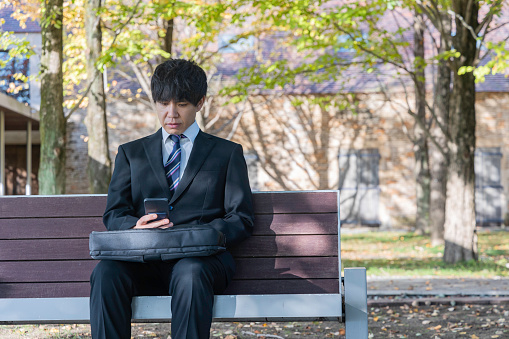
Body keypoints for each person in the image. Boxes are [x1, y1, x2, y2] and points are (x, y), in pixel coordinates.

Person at [89, 58, 255, 339]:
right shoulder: (131, 154)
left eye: (182, 104)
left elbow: (241, 218)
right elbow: (114, 214)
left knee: (190, 272)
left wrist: (199, 235)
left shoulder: (227, 154)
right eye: (163, 103)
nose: (171, 113)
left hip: (200, 262)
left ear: (200, 103)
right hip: (144, 259)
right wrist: (134, 227)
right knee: (106, 273)